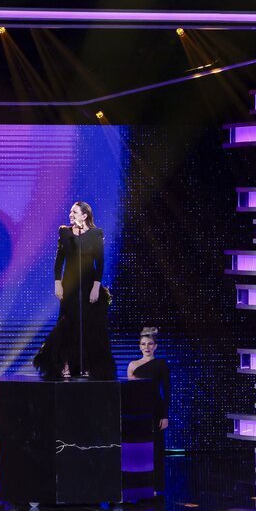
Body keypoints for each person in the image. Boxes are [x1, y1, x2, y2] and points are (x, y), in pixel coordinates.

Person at [33, 201, 116, 380]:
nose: (70, 214)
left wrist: (96, 287)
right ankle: (63, 365)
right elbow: (59, 261)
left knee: (90, 326)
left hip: (88, 284)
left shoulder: (95, 234)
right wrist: (57, 283)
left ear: (84, 215)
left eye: (74, 212)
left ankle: (89, 366)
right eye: (70, 211)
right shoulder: (65, 232)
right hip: (70, 284)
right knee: (66, 324)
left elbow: (100, 263)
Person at [126, 326, 170, 493]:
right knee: (137, 447)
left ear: (155, 346)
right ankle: (138, 483)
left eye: (150, 344)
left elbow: (167, 391)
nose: (147, 347)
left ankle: (156, 486)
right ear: (139, 346)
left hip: (155, 410)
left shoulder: (161, 364)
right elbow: (130, 392)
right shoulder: (132, 365)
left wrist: (165, 415)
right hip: (137, 412)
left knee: (156, 448)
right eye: (143, 344)